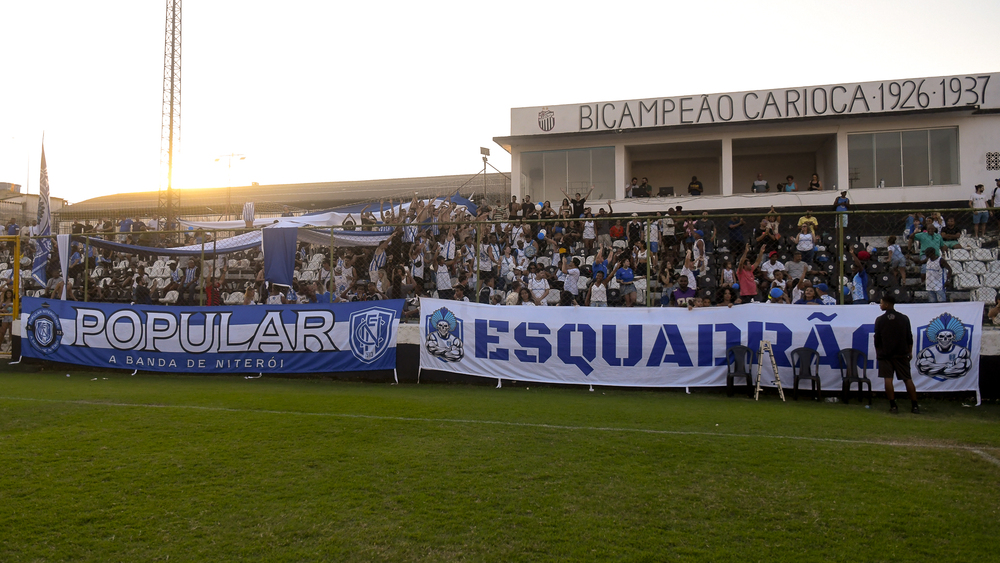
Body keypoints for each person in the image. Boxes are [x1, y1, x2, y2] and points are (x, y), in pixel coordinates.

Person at [874, 294, 919, 414]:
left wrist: (879, 352)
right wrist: (909, 351)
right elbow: (909, 337)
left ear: (887, 304)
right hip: (901, 353)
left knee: (888, 379)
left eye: (881, 303)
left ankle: (893, 405)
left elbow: (877, 339)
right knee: (907, 379)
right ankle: (915, 405)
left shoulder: (880, 320)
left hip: (885, 354)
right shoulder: (904, 318)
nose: (880, 305)